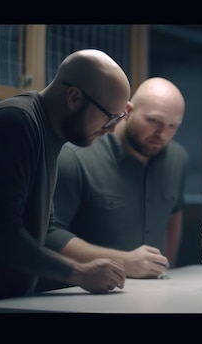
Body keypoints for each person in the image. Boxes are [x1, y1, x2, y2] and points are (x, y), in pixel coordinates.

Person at [0, 49, 130, 312]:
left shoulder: (48, 133)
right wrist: (79, 273)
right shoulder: (15, 123)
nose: (112, 129)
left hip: (1, 304)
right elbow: (0, 232)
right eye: (110, 117)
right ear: (74, 97)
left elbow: (43, 228)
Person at [37, 77, 186, 292]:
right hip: (81, 295)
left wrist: (167, 267)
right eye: (154, 121)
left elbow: (175, 212)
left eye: (173, 126)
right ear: (128, 110)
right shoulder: (76, 156)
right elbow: (49, 235)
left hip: (154, 295)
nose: (162, 134)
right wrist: (124, 261)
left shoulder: (178, 159)